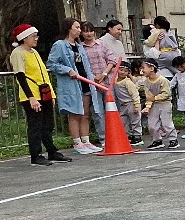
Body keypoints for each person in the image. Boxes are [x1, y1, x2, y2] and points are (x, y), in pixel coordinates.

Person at [9, 24, 71, 165]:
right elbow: (20, 76)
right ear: (24, 38)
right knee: (35, 126)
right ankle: (36, 155)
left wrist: (52, 94)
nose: (36, 38)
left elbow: (44, 75)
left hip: (44, 93)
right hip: (32, 95)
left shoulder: (34, 52)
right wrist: (31, 97)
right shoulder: (18, 53)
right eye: (33, 36)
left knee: (47, 125)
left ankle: (52, 151)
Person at [46, 18, 101, 155]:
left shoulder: (79, 45)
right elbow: (51, 64)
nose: (79, 30)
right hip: (71, 85)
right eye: (77, 27)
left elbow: (84, 64)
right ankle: (77, 142)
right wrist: (67, 70)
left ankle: (86, 140)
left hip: (85, 82)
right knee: (75, 113)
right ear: (68, 28)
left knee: (85, 113)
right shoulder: (60, 45)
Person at [137, 59, 178, 149]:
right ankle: (157, 140)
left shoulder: (162, 80)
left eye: (143, 68)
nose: (142, 70)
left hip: (165, 104)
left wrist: (155, 98)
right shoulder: (146, 82)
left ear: (152, 68)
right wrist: (148, 107)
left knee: (167, 123)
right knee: (152, 124)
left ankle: (173, 139)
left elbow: (167, 94)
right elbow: (148, 96)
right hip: (153, 105)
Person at [113, 61, 143, 144]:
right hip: (123, 105)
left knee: (135, 121)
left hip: (131, 103)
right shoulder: (115, 81)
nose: (123, 72)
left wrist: (136, 105)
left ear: (128, 72)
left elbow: (135, 93)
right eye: (121, 70)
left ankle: (138, 136)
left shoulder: (128, 82)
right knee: (124, 121)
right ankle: (128, 135)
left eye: (125, 71)